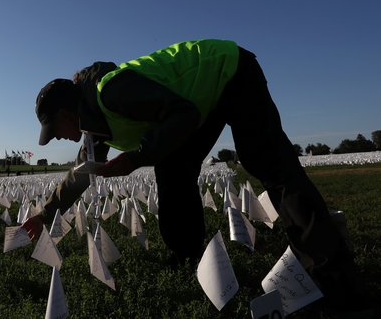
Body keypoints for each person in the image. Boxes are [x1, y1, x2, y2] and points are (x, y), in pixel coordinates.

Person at [23, 39, 367, 314]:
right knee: (173, 171)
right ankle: (186, 254)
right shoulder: (92, 127)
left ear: (69, 113)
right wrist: (45, 214)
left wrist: (138, 157)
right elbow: (81, 174)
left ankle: (334, 276)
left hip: (230, 71)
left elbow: (183, 113)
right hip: (197, 103)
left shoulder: (112, 91)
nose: (60, 138)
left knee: (270, 166)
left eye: (57, 130)